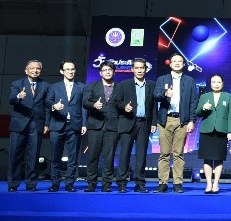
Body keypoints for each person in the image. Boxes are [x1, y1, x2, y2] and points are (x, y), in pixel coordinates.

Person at [153, 53, 198, 194]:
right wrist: (165, 94)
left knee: (179, 154)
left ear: (183, 64)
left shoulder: (190, 81)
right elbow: (156, 95)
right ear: (170, 64)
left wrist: (191, 120)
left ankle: (178, 183)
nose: (177, 63)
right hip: (165, 120)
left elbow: (194, 102)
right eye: (174, 61)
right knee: (164, 153)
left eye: (180, 61)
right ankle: (163, 183)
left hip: (182, 121)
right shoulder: (162, 79)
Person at [114, 58, 156, 193]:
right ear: (132, 69)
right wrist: (124, 107)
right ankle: (122, 183)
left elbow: (154, 105)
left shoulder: (151, 85)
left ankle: (140, 183)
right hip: (128, 122)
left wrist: (154, 122)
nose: (139, 70)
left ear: (145, 69)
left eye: (142, 68)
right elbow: (117, 101)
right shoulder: (124, 84)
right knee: (124, 154)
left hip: (144, 123)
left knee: (141, 155)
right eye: (136, 68)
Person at [7, 60, 49, 192]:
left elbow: (47, 106)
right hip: (19, 124)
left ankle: (31, 184)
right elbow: (11, 99)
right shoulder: (17, 84)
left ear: (40, 71)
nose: (35, 71)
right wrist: (19, 96)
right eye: (32, 68)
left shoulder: (46, 86)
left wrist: (46, 123)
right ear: (26, 70)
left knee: (34, 155)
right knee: (15, 155)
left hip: (37, 124)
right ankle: (13, 183)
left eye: (38, 68)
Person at [45, 60, 86, 193]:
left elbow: (84, 107)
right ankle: (55, 183)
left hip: (75, 125)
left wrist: (84, 124)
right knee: (55, 157)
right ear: (61, 71)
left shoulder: (82, 87)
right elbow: (47, 101)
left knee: (73, 157)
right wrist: (54, 106)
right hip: (57, 125)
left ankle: (69, 183)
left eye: (72, 69)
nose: (70, 71)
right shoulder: (54, 87)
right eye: (67, 69)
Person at [82, 61, 120, 193]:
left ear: (114, 72)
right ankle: (91, 183)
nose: (107, 72)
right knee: (93, 156)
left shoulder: (120, 87)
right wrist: (93, 105)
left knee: (109, 157)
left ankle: (107, 183)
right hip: (95, 125)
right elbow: (85, 102)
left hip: (112, 126)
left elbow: (122, 104)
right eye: (105, 70)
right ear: (100, 73)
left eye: (110, 70)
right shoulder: (92, 86)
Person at [196, 74, 231, 194]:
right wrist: (204, 108)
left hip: (221, 131)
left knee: (219, 159)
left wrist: (230, 131)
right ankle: (208, 183)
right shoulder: (204, 96)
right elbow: (198, 113)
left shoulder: (229, 97)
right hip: (207, 131)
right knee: (207, 159)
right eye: (214, 82)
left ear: (223, 83)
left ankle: (216, 183)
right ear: (210, 84)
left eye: (219, 82)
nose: (216, 84)